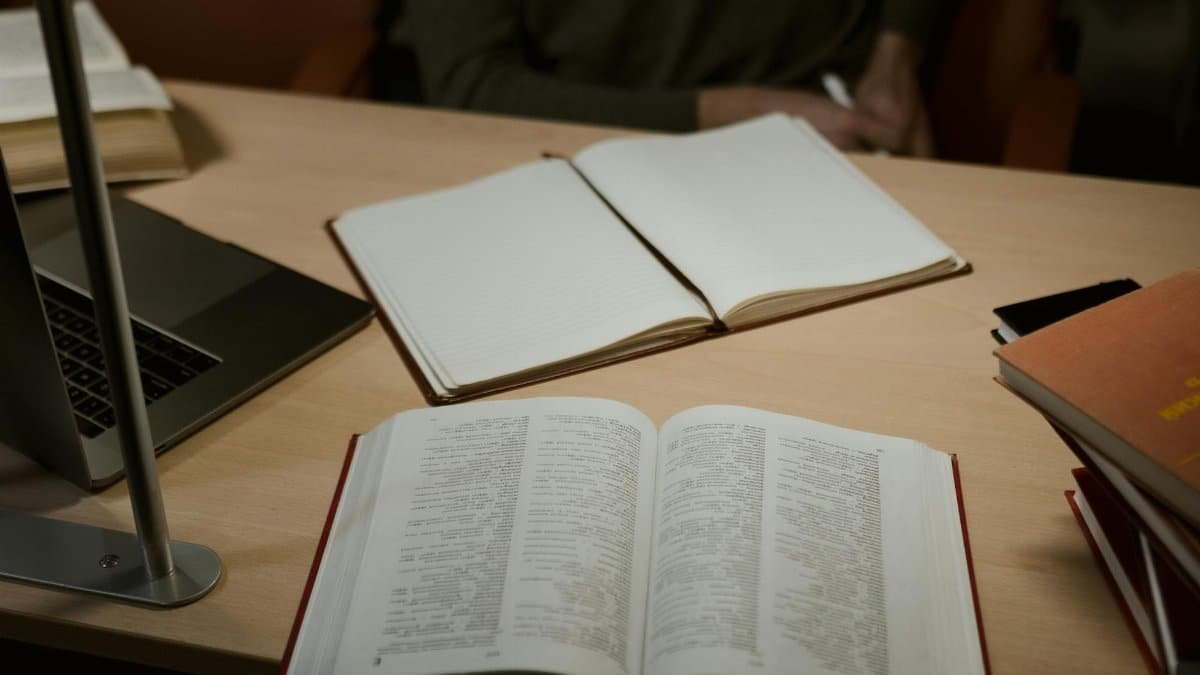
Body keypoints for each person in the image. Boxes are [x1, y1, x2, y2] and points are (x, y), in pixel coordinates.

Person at [394, 1, 949, 156]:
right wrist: (735, 112)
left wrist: (897, 53)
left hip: (835, 128)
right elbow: (474, 87)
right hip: (579, 144)